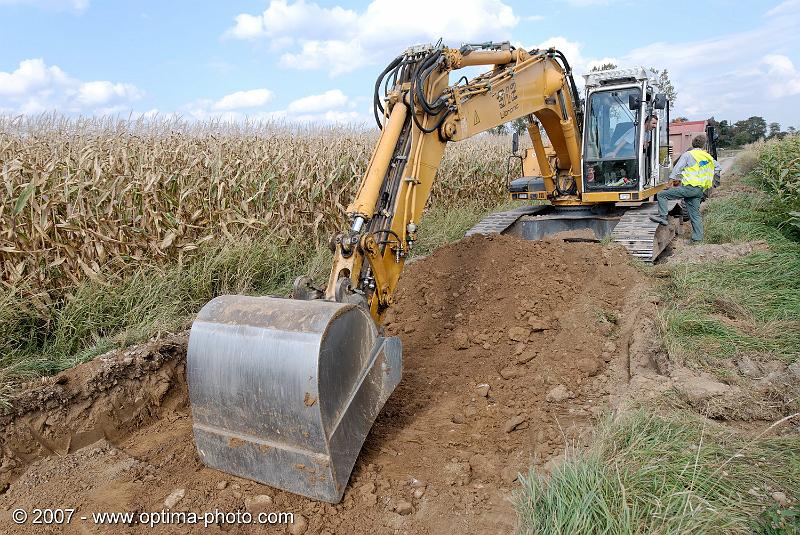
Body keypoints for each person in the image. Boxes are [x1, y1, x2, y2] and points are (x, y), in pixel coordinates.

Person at [649, 134, 721, 242]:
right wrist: (705, 176)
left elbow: (676, 169)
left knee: (662, 195)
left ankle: (663, 217)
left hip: (689, 188)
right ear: (703, 145)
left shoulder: (688, 155)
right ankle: (697, 239)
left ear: (693, 143)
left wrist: (669, 184)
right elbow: (718, 167)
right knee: (695, 215)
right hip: (699, 190)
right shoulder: (707, 157)